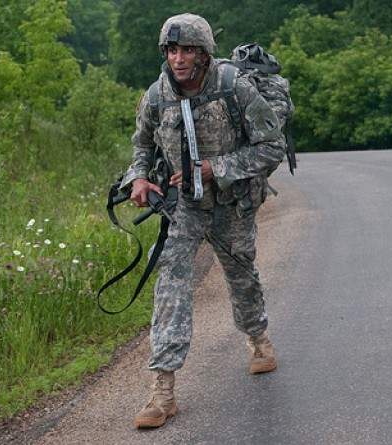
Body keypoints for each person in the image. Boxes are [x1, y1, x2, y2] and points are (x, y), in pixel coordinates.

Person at [120, 13, 286, 429]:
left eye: (188, 49)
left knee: (242, 276)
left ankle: (257, 338)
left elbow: (271, 146)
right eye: (172, 50)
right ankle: (162, 390)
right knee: (171, 283)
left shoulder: (234, 88)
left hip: (233, 205)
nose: (178, 59)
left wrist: (217, 168)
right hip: (186, 208)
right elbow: (142, 145)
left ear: (204, 53)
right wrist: (138, 178)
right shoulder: (157, 96)